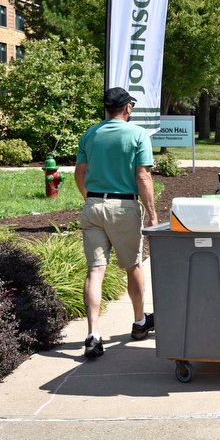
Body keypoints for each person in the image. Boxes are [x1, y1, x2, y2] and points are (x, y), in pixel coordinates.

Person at [74, 87, 158, 358]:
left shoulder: (90, 133)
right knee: (132, 264)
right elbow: (143, 176)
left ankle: (93, 334)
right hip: (124, 206)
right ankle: (139, 322)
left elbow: (80, 172)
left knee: (95, 271)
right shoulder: (137, 134)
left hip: (94, 206)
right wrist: (152, 213)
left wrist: (90, 198)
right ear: (127, 109)